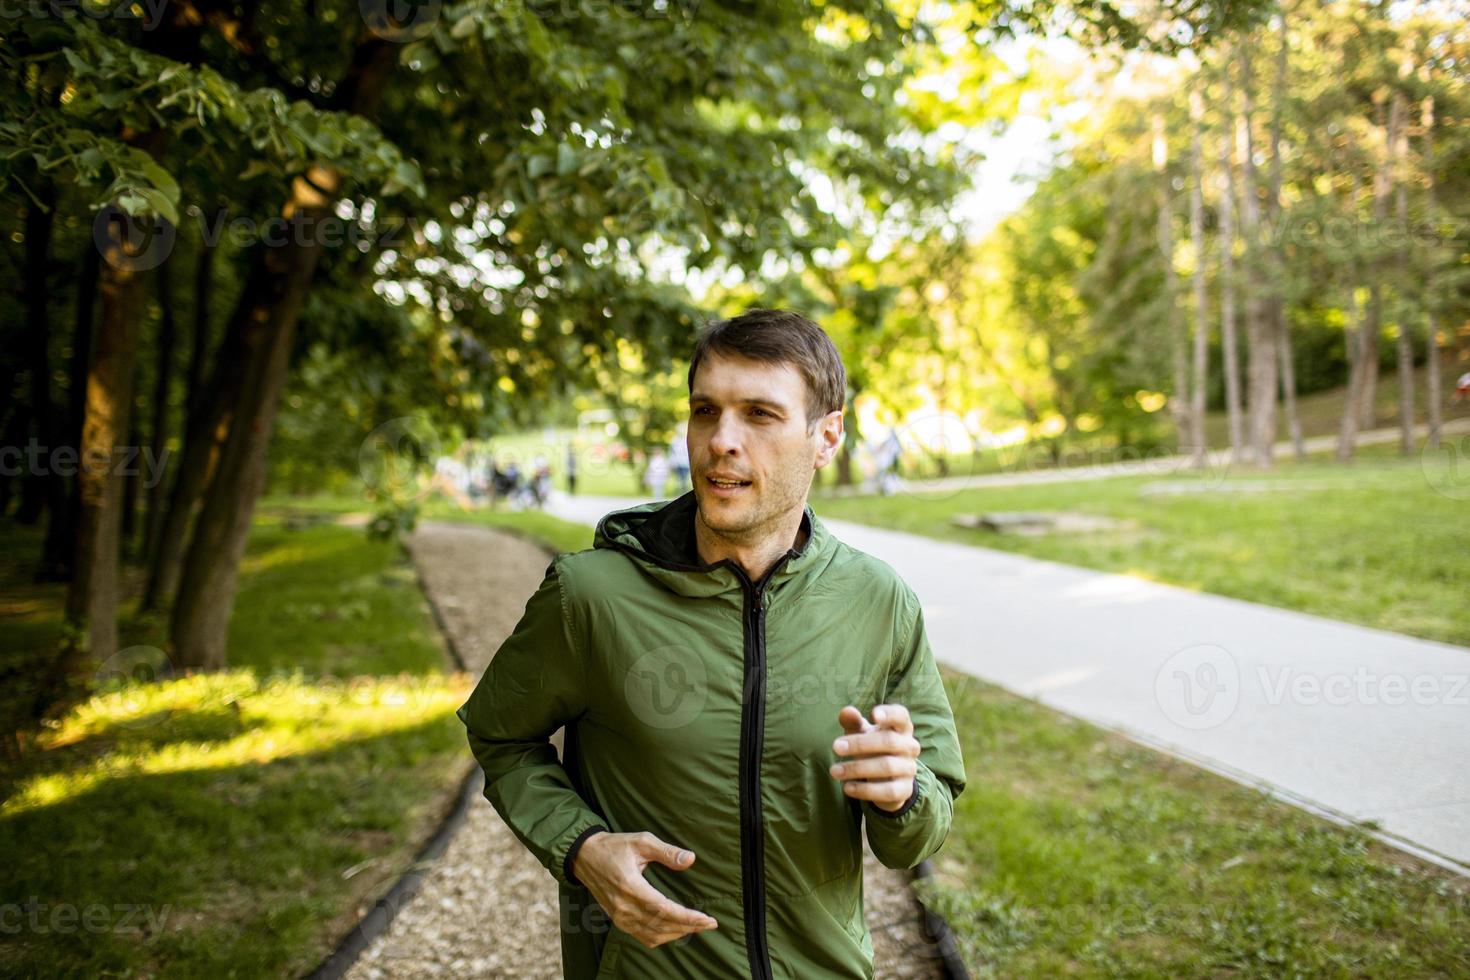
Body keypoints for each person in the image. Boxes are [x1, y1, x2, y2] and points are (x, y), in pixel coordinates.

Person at [456, 308, 966, 979]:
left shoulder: (880, 600)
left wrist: (904, 794)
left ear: (827, 435)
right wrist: (581, 847)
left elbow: (919, 832)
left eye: (759, 414)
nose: (722, 440)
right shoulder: (592, 595)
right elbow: (500, 737)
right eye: (705, 411)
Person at [668, 422, 691, 493]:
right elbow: (672, 453)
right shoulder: (674, 441)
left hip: (685, 463)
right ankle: (680, 492)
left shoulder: (687, 440)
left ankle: (683, 492)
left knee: (684, 478)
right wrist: (671, 462)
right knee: (679, 479)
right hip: (678, 463)